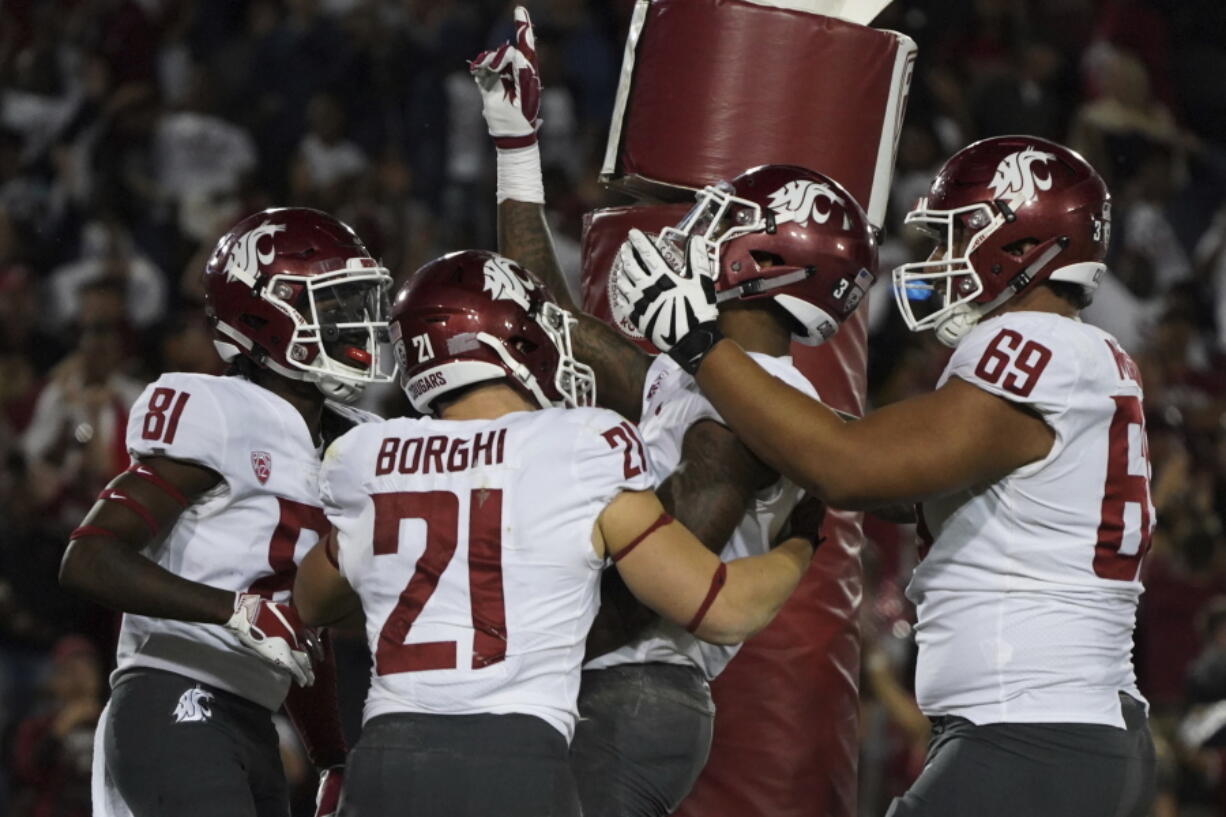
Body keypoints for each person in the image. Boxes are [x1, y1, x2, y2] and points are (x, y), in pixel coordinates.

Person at [615, 134, 1157, 817]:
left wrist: (698, 345)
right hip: (1076, 729)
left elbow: (850, 469)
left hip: (1031, 732)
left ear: (1019, 246)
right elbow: (892, 474)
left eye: (953, 236)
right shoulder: (1088, 354)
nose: (936, 261)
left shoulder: (1030, 343)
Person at [468, 10, 876, 814]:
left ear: (767, 263)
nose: (696, 232)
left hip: (631, 684)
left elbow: (662, 587)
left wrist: (507, 658)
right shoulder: (707, 381)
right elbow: (544, 321)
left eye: (726, 225)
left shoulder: (751, 418)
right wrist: (518, 150)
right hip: (615, 683)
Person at [291, 249, 817, 817]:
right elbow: (722, 608)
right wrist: (801, 543)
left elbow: (311, 601)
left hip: (386, 759)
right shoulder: (577, 446)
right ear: (516, 342)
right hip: (513, 759)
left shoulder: (370, 455)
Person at [58, 207, 394, 817]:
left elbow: (299, 627)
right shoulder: (218, 411)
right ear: (263, 314)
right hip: (171, 695)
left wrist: (330, 758)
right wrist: (232, 610)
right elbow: (88, 557)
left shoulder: (349, 444)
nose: (357, 323)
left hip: (253, 719)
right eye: (334, 303)